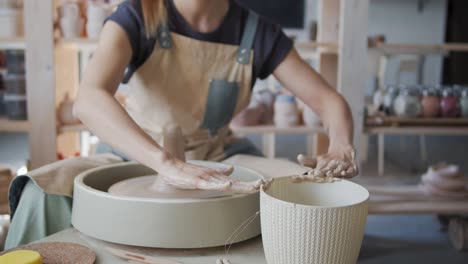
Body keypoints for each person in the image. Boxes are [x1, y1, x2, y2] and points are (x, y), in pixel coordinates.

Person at [5, 0, 357, 249]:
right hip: (133, 152)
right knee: (41, 191)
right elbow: (89, 98)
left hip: (217, 153)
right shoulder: (138, 14)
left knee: (304, 195)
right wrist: (166, 164)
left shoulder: (258, 32)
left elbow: (329, 101)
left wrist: (340, 144)